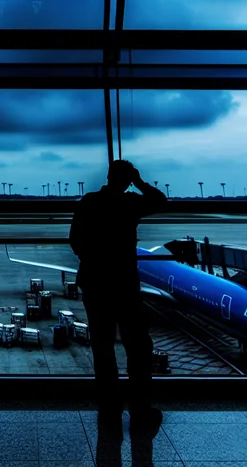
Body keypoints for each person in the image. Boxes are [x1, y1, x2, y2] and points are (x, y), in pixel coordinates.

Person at [69, 160, 167, 433]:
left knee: (102, 349)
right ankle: (139, 413)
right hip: (124, 286)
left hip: (95, 283)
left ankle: (110, 411)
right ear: (127, 180)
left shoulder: (89, 202)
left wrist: (94, 259)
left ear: (108, 176)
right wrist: (140, 182)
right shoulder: (130, 204)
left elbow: (75, 240)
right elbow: (160, 201)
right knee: (138, 349)